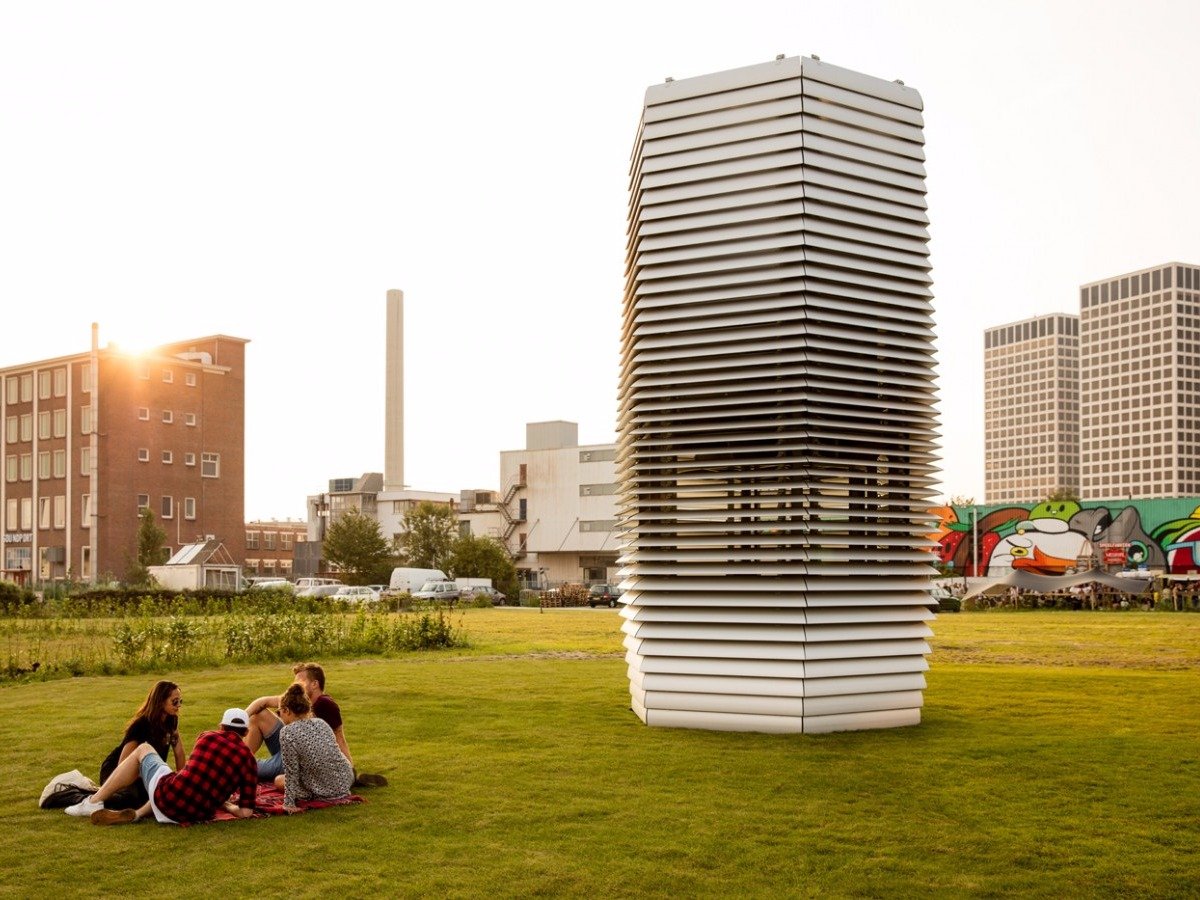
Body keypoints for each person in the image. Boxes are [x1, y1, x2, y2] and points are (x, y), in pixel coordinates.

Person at [65, 708, 258, 826]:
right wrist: (227, 804)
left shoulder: (207, 736)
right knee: (175, 785)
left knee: (144, 749)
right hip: (197, 814)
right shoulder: (249, 761)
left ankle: (93, 801)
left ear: (221, 726)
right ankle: (137, 814)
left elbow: (192, 771)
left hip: (170, 796)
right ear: (247, 731)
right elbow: (246, 812)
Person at [98, 680, 187, 810]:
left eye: (180, 701)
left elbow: (179, 753)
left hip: (144, 774)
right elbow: (123, 763)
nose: (179, 705)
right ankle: (92, 798)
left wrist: (181, 783)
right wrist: (150, 778)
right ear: (161, 701)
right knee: (135, 800)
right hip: (117, 772)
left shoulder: (171, 720)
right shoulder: (141, 725)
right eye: (175, 701)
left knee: (159, 796)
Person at [274, 683, 354, 812]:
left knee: (279, 780)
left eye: (279, 712)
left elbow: (292, 771)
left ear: (287, 711)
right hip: (345, 779)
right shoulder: (321, 723)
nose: (279, 716)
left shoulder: (287, 732)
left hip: (323, 789)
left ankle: (314, 794)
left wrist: (288, 804)